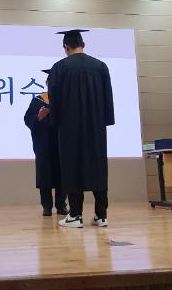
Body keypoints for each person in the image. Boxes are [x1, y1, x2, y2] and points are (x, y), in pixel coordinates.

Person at [48, 30, 114, 229]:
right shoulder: (100, 66)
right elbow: (108, 97)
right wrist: (105, 120)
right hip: (96, 127)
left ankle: (75, 215)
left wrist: (55, 123)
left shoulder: (60, 67)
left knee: (72, 167)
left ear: (66, 47)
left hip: (70, 127)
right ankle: (101, 215)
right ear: (83, 44)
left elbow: (54, 99)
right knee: (98, 167)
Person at [23, 69, 67, 217]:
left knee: (62, 175)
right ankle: (46, 206)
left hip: (62, 144)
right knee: (45, 175)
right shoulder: (38, 100)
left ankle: (61, 205)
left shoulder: (65, 100)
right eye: (51, 82)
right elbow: (27, 118)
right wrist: (39, 117)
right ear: (47, 83)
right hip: (44, 144)